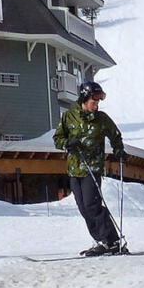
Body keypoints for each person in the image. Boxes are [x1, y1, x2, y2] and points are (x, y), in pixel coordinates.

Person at [53, 80, 128, 256]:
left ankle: (112, 241)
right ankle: (101, 241)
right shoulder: (69, 117)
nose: (96, 106)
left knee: (92, 204)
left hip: (92, 168)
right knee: (83, 208)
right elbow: (58, 139)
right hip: (74, 169)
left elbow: (115, 135)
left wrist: (119, 150)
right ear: (84, 99)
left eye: (98, 103)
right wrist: (67, 143)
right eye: (93, 102)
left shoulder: (101, 119)